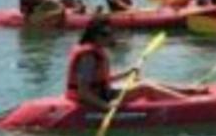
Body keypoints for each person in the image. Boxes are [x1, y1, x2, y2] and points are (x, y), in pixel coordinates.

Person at [65, 19, 203, 110]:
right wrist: (106, 106)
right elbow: (83, 92)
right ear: (95, 36)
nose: (112, 37)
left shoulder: (94, 50)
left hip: (102, 93)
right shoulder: (88, 56)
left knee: (146, 81)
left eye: (111, 32)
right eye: (107, 34)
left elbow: (101, 79)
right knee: (146, 88)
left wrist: (127, 72)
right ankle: (192, 106)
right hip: (94, 99)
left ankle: (187, 91)